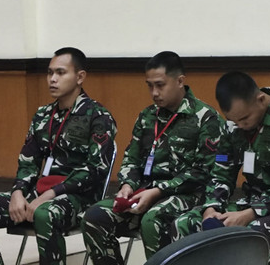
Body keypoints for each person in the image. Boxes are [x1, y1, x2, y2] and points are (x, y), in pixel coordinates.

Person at [0, 47, 117, 265]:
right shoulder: (43, 115)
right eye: (49, 72)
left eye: (61, 73)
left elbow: (96, 169)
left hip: (78, 197)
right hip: (38, 193)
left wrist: (51, 194)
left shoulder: (98, 116)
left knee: (45, 214)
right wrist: (18, 192)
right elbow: (29, 161)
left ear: (80, 77)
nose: (52, 79)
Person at [81, 51, 225, 265]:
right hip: (144, 191)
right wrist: (128, 185)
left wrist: (158, 191)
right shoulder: (148, 116)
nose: (154, 92)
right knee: (95, 216)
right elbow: (132, 158)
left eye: (160, 85)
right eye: (149, 85)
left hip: (189, 194)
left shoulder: (206, 118)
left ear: (180, 81)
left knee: (153, 219)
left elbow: (202, 173)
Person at [172, 71, 270, 265]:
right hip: (247, 203)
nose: (240, 126)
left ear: (260, 99)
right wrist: (212, 207)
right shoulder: (233, 126)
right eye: (235, 121)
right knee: (184, 224)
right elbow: (221, 173)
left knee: (251, 237)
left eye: (245, 119)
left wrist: (251, 213)